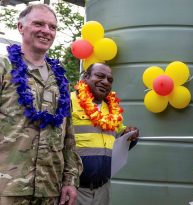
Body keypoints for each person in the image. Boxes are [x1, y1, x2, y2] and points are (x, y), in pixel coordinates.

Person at [0, 4, 83, 205]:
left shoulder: (60, 78)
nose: (46, 31)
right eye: (39, 23)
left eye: (52, 27)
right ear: (20, 27)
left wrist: (70, 180)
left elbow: (68, 135)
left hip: (50, 190)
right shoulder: (4, 68)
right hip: (7, 189)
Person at [72, 63, 139, 205]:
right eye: (100, 76)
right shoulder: (68, 102)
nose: (105, 82)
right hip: (74, 189)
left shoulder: (111, 109)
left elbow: (120, 141)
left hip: (102, 189)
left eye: (110, 79)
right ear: (85, 77)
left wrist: (131, 135)